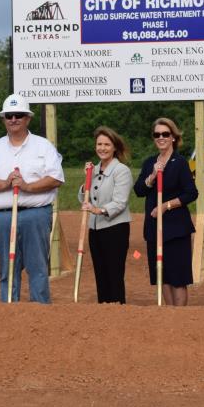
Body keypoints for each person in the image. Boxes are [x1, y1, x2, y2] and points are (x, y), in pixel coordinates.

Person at [0, 93, 64, 303]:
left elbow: (56, 178)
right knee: (8, 269)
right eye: (9, 115)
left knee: (38, 268)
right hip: (4, 217)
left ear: (28, 118)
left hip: (36, 215)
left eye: (18, 115)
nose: (13, 119)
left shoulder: (43, 146)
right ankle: (9, 312)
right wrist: (5, 184)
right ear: (4, 119)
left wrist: (28, 187)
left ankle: (40, 313)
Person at [133, 117, 198, 306]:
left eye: (165, 134)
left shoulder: (180, 163)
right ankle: (169, 318)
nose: (161, 137)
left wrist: (165, 206)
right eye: (157, 134)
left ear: (173, 138)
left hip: (176, 229)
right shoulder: (149, 163)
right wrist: (152, 176)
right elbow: (138, 191)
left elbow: (191, 193)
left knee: (178, 278)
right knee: (163, 276)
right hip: (154, 229)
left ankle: (180, 319)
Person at [78, 126, 133, 304]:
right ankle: (103, 312)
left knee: (114, 275)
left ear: (114, 147)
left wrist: (97, 210)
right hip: (95, 229)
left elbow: (120, 202)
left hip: (115, 229)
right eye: (99, 144)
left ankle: (118, 311)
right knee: (100, 275)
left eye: (107, 144)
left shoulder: (121, 170)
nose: (102, 148)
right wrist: (86, 177)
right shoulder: (94, 170)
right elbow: (82, 197)